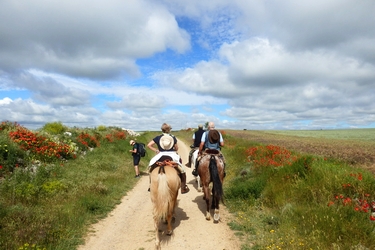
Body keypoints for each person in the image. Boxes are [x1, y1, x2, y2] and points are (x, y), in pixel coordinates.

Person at [147, 123, 190, 194]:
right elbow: (176, 148)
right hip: (172, 155)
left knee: (150, 167)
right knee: (182, 169)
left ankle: (150, 185)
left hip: (160, 154)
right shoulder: (173, 137)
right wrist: (174, 148)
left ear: (162, 130)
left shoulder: (158, 137)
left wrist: (156, 150)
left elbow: (149, 145)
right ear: (169, 130)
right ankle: (183, 188)